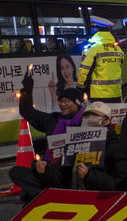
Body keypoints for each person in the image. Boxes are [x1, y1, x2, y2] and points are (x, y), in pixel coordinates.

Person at [9, 73, 85, 204]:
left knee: (29, 193)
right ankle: (48, 194)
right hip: (47, 169)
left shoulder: (85, 121)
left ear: (77, 103)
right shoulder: (53, 119)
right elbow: (27, 112)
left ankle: (43, 194)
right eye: (61, 101)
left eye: (67, 101)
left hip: (69, 172)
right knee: (15, 172)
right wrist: (27, 89)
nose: (62, 104)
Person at [78, 16, 124, 102]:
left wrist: (81, 89)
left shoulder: (93, 49)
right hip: (116, 94)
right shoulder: (118, 49)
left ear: (96, 30)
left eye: (92, 28)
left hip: (98, 95)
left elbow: (84, 71)